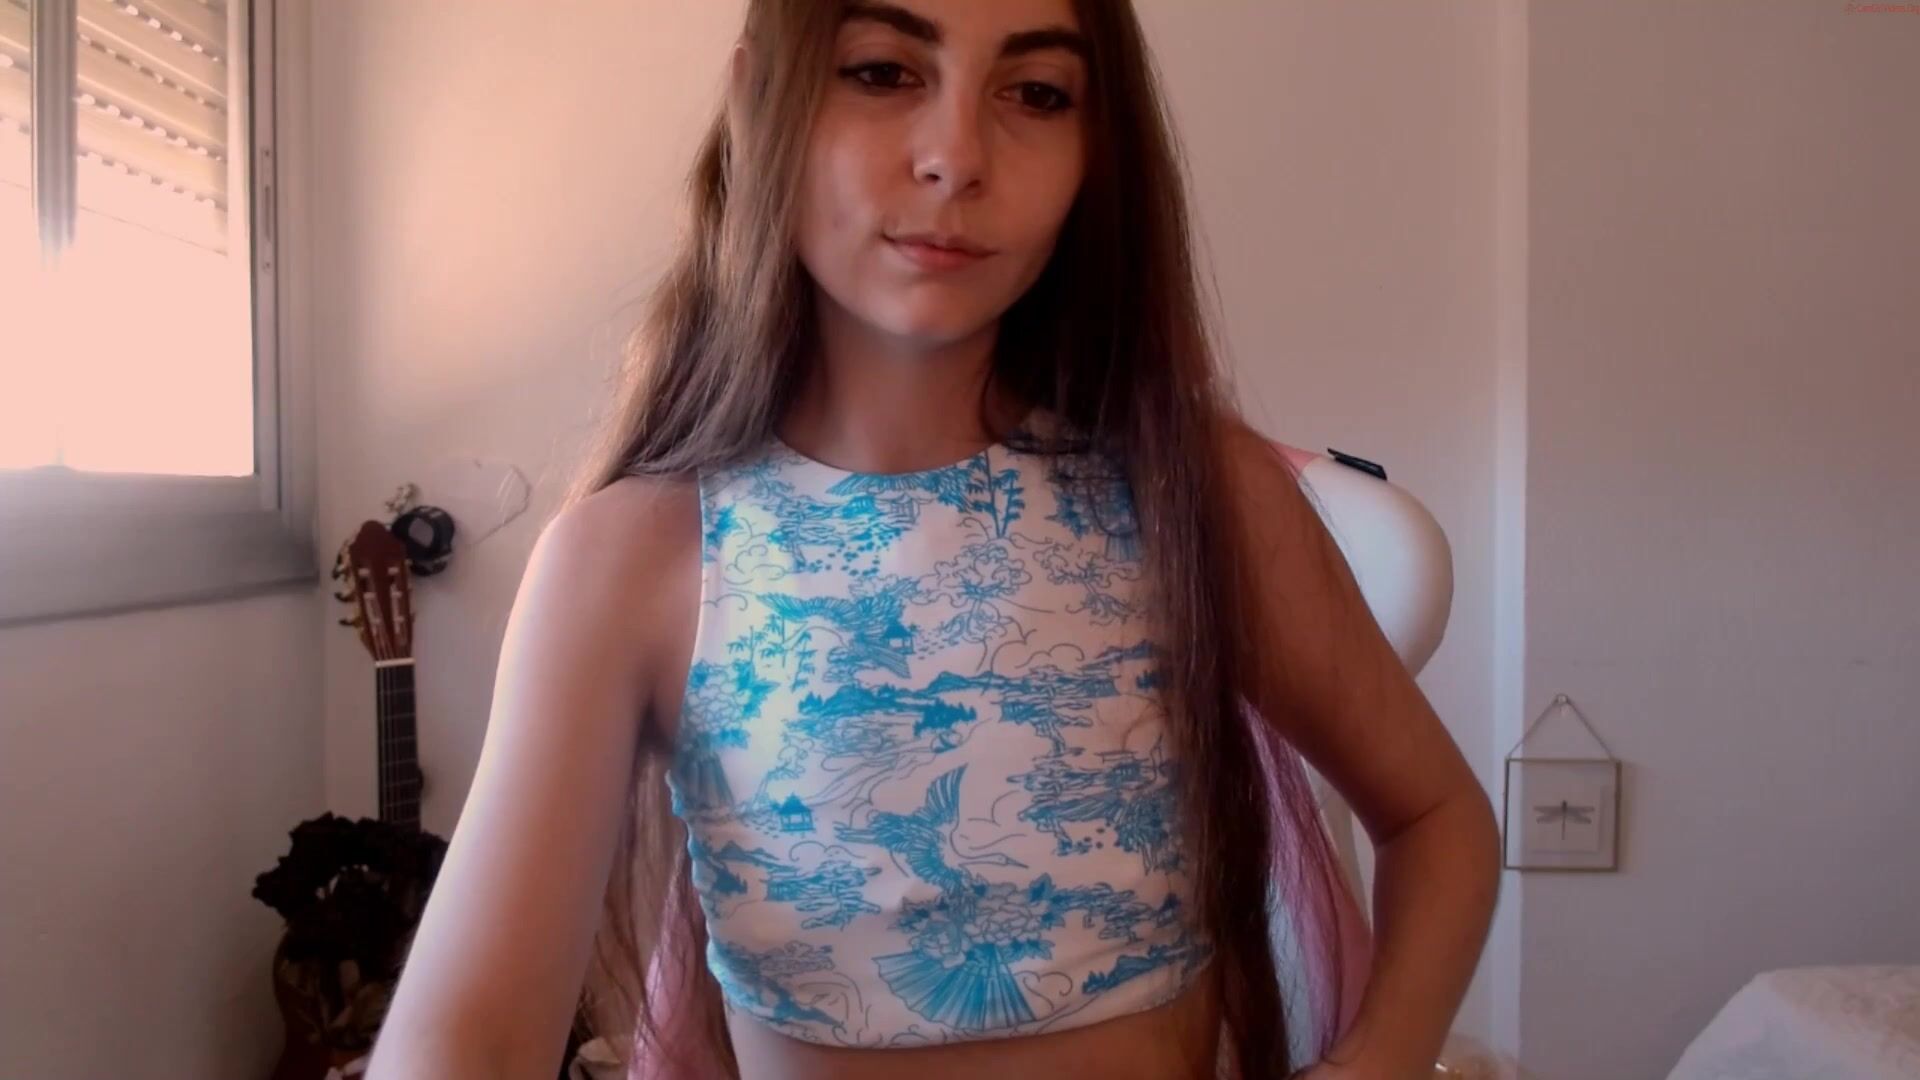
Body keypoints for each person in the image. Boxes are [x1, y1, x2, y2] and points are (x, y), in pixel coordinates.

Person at [366, 2, 1501, 1078]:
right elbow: (467, 1037)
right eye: (883, 72)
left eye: (1038, 92)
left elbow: (1437, 820)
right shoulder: (633, 559)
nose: (957, 157)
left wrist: (1378, 1062)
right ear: (761, 102)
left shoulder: (1196, 496)